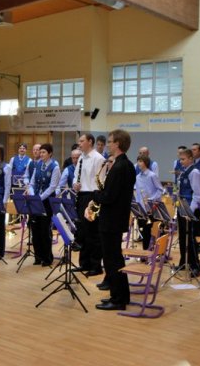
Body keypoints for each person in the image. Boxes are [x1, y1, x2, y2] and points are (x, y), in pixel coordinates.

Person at [88, 129, 136, 311]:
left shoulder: (119, 167)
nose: (107, 144)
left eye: (109, 141)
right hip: (117, 219)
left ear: (117, 143)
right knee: (116, 259)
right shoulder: (126, 165)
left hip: (111, 220)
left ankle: (117, 299)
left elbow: (109, 197)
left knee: (112, 260)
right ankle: (122, 296)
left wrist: (95, 194)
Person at [73, 134, 105, 276]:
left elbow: (100, 182)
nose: (79, 143)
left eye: (82, 141)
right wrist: (75, 184)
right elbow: (76, 176)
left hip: (92, 196)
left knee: (93, 232)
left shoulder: (98, 158)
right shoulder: (81, 158)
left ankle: (96, 266)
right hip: (81, 196)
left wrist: (95, 201)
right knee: (83, 232)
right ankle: (84, 263)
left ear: (90, 142)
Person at [27, 143, 60, 266]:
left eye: (43, 152)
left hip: (46, 202)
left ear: (50, 153)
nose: (41, 154)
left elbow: (52, 187)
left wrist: (40, 198)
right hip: (36, 201)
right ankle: (38, 256)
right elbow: (32, 183)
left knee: (44, 231)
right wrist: (32, 195)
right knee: (35, 229)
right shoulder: (38, 165)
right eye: (40, 152)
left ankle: (47, 258)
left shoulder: (55, 167)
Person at [175, 148, 200, 275]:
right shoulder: (183, 172)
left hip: (190, 209)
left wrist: (189, 212)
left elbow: (197, 195)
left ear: (191, 159)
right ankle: (184, 262)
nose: (181, 161)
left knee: (191, 238)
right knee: (182, 237)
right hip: (182, 207)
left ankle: (195, 265)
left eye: (183, 159)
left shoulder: (195, 172)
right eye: (180, 159)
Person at [134, 154, 164, 250]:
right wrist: (137, 205)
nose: (138, 163)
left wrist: (151, 199)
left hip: (151, 208)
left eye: (140, 161)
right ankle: (146, 251)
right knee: (142, 231)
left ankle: (149, 251)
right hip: (141, 208)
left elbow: (160, 190)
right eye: (138, 161)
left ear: (146, 163)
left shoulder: (152, 175)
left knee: (148, 231)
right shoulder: (137, 177)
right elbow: (138, 193)